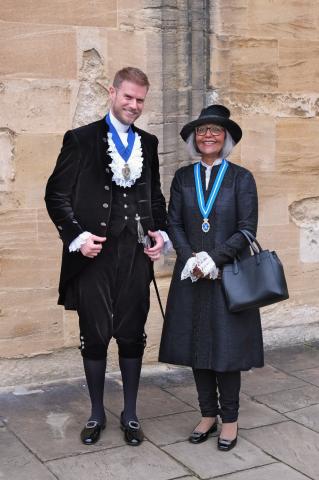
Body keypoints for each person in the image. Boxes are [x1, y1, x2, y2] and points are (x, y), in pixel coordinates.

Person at [45, 67, 168, 446]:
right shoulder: (81, 140)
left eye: (140, 100)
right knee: (95, 335)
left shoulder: (148, 142)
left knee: (132, 335)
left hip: (134, 255)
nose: (134, 105)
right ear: (112, 93)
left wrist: (160, 234)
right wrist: (78, 237)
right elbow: (56, 195)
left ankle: (130, 415)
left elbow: (155, 197)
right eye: (128, 97)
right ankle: (97, 413)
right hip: (95, 255)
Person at [159, 105, 264, 451]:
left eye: (216, 131)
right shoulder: (183, 179)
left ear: (226, 138)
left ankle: (229, 420)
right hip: (192, 275)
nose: (208, 136)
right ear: (193, 138)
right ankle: (207, 415)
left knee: (226, 350)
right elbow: (173, 222)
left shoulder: (241, 178)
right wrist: (191, 258)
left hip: (228, 275)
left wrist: (214, 258)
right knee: (197, 346)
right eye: (202, 130)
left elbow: (247, 229)